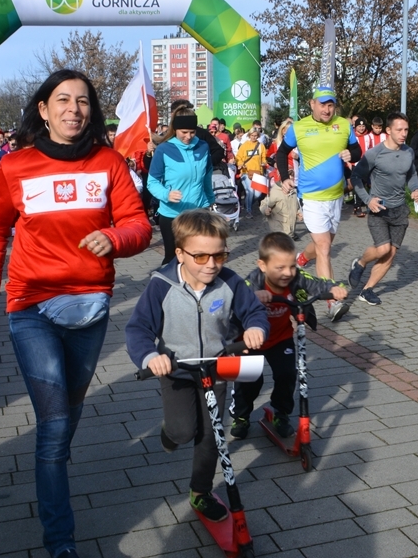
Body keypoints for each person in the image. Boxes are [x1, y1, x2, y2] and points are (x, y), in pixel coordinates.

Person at [0, 68, 151, 558]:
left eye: (83, 101)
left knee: (66, 420)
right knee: (52, 428)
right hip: (30, 306)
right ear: (44, 110)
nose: (74, 109)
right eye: (64, 100)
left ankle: (53, 466)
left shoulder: (109, 163)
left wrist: (114, 237)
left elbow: (138, 225)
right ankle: (60, 541)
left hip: (89, 308)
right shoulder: (16, 166)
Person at [125, 209, 268, 522]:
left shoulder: (230, 282)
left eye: (220, 255)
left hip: (216, 368)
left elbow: (254, 312)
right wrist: (150, 357)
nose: (211, 264)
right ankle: (171, 431)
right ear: (180, 253)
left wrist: (255, 328)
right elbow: (138, 329)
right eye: (200, 256)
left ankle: (200, 492)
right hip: (175, 370)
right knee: (182, 431)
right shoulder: (161, 284)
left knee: (211, 434)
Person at [231, 231, 348, 438]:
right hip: (250, 341)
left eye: (292, 266)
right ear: (262, 265)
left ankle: (281, 413)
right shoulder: (253, 281)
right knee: (250, 381)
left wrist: (334, 288)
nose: (287, 273)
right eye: (280, 268)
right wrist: (254, 296)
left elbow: (317, 283)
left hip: (280, 337)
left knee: (287, 375)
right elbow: (238, 298)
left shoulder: (295, 277)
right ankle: (241, 416)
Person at [275, 88, 359, 319]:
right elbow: (281, 153)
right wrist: (285, 178)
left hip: (336, 197)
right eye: (322, 104)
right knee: (324, 248)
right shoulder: (299, 127)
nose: (327, 109)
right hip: (311, 197)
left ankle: (301, 259)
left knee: (325, 243)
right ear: (312, 104)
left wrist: (351, 154)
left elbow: (357, 150)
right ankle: (331, 301)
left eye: (331, 105)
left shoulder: (344, 125)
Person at [347, 113, 418, 306]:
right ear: (388, 130)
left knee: (390, 254)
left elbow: (411, 173)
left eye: (406, 129)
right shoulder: (375, 153)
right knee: (383, 249)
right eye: (399, 129)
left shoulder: (408, 152)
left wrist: (415, 189)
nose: (403, 134)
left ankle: (367, 290)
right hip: (378, 209)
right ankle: (361, 263)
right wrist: (367, 200)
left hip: (400, 211)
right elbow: (356, 177)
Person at [147, 110, 215, 265]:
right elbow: (152, 182)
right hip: (172, 214)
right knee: (174, 260)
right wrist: (166, 194)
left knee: (198, 257)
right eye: (184, 132)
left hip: (198, 212)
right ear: (175, 129)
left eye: (192, 132)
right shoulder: (164, 149)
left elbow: (207, 175)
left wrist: (210, 198)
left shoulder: (203, 147)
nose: (188, 136)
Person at [260, 119, 300, 235]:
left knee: (293, 201)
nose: (287, 132)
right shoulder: (275, 144)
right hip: (281, 175)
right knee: (281, 200)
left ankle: (291, 229)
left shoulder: (298, 143)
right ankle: (281, 228)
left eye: (290, 130)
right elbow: (267, 158)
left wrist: (297, 157)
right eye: (286, 130)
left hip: (295, 173)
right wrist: (275, 164)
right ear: (282, 131)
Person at [234, 127, 266, 217]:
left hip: (258, 172)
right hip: (246, 172)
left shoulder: (261, 146)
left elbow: (263, 158)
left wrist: (264, 163)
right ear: (249, 135)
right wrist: (241, 164)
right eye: (252, 135)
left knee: (258, 194)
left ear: (258, 136)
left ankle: (247, 203)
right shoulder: (244, 145)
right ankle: (249, 211)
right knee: (250, 191)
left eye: (255, 135)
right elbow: (238, 157)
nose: (254, 137)